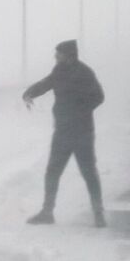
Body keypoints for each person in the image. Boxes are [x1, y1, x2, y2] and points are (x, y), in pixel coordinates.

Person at [23, 40, 105, 226]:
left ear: (68, 55)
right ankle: (47, 212)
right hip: (62, 131)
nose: (55, 56)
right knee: (53, 171)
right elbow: (46, 84)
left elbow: (99, 97)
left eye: (58, 53)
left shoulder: (85, 73)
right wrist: (29, 93)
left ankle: (98, 212)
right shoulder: (59, 71)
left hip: (82, 131)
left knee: (88, 171)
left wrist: (79, 111)